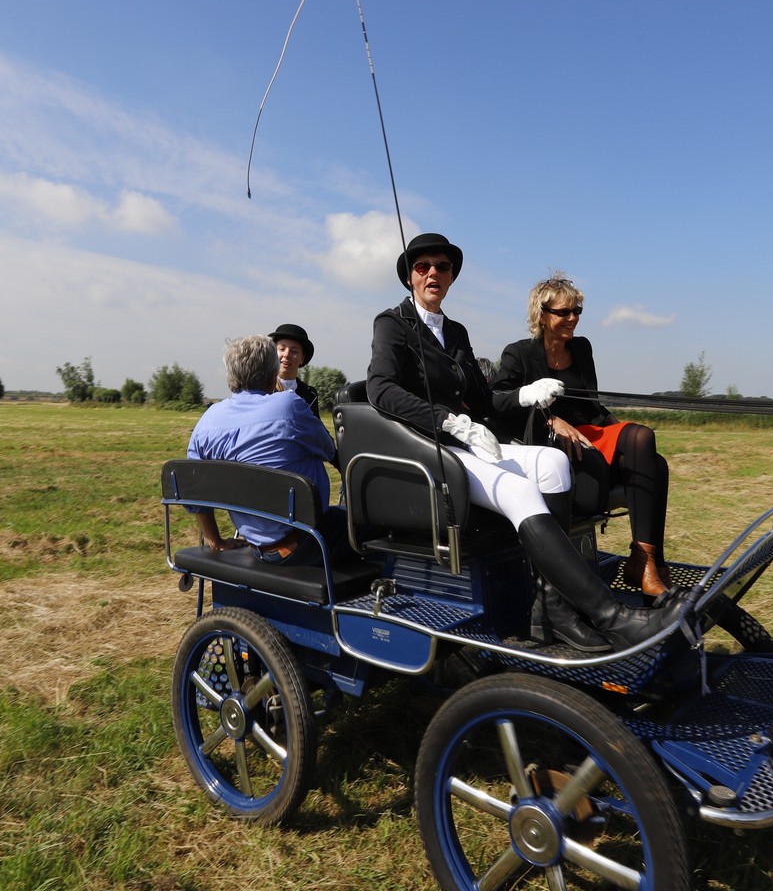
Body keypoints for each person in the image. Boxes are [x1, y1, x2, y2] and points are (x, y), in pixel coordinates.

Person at [366, 232, 682, 652]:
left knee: (553, 463)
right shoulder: (392, 324)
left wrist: (526, 396)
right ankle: (612, 616)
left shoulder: (455, 332)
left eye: (442, 266)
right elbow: (380, 389)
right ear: (410, 277)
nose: (433, 274)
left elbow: (485, 400)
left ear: (452, 276)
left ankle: (552, 608)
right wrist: (449, 422)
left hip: (467, 443)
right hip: (428, 448)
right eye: (422, 267)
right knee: (519, 491)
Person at [491, 273, 676, 596]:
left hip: (591, 432)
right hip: (555, 444)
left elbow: (591, 404)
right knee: (648, 450)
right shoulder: (518, 354)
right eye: (563, 312)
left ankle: (645, 562)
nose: (573, 318)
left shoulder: (581, 348)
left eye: (576, 311)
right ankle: (650, 565)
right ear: (542, 316)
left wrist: (616, 426)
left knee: (649, 453)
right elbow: (498, 402)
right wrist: (550, 420)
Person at [187, 334, 341, 564]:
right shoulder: (289, 405)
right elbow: (328, 449)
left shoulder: (208, 419)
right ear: (272, 377)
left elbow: (191, 486)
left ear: (231, 376)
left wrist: (215, 540)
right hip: (307, 541)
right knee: (379, 530)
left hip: (255, 544)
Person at [270, 323, 322, 419]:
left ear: (302, 358)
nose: (287, 355)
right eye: (282, 349)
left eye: (294, 351)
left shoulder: (310, 394)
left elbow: (315, 426)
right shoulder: (260, 388)